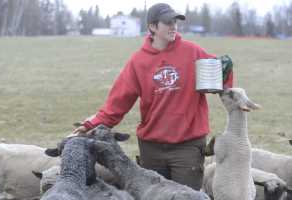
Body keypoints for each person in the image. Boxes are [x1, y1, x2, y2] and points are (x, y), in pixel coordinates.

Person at [73, 3, 233, 190]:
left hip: (187, 147)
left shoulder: (193, 52)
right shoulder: (138, 61)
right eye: (167, 22)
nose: (173, 26)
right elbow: (117, 104)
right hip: (151, 148)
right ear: (152, 27)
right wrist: (90, 125)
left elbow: (221, 78)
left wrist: (223, 76)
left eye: (175, 22)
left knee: (187, 196)